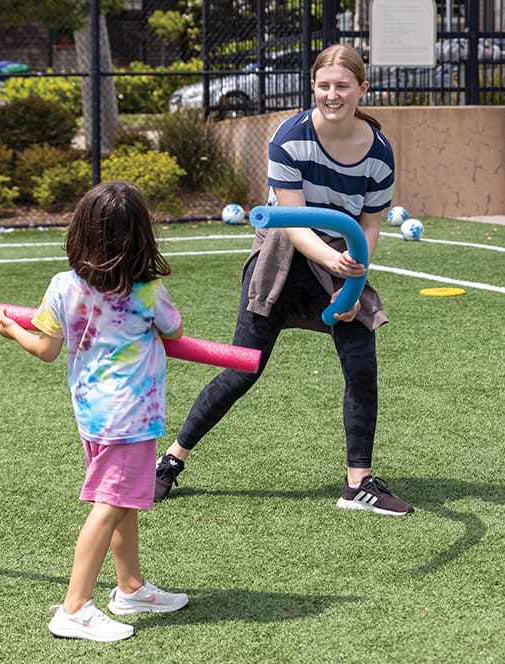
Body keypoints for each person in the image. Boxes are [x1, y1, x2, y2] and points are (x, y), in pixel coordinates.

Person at [154, 44, 413, 517]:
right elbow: (292, 222)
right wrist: (336, 266)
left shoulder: (379, 152)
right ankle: (171, 461)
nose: (332, 95)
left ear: (362, 89)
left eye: (343, 86)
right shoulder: (289, 138)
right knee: (242, 368)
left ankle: (358, 484)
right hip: (283, 253)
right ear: (313, 86)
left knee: (361, 363)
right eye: (324, 85)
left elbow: (371, 224)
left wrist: (353, 278)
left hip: (342, 254)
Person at [0, 180, 189, 642]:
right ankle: (75, 608)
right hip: (132, 419)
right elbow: (175, 330)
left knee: (122, 503)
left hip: (93, 415)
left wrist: (10, 331)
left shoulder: (63, 285)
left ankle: (131, 587)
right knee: (111, 506)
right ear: (142, 236)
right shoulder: (147, 291)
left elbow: (44, 348)